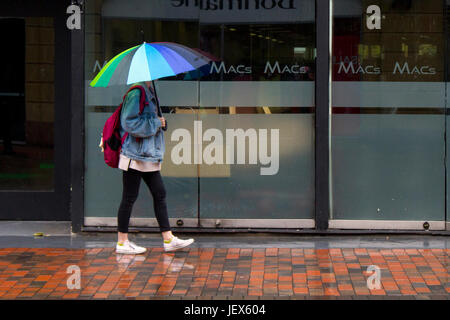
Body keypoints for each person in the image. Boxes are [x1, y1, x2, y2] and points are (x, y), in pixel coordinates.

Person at [115, 80, 194, 254]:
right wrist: (157, 122)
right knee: (129, 197)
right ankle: (122, 242)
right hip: (135, 155)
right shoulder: (136, 93)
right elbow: (128, 123)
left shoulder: (150, 92)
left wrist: (161, 122)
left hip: (148, 154)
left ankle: (168, 239)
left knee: (159, 193)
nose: (157, 78)